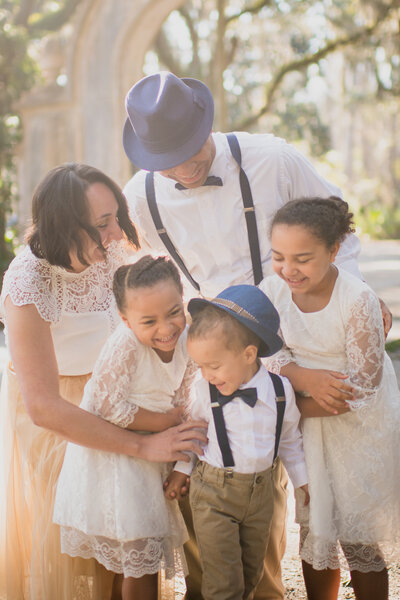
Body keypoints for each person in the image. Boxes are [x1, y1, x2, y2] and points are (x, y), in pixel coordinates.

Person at [121, 71, 388, 599]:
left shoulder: (272, 158)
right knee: (218, 472)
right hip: (210, 348)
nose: (183, 167)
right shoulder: (140, 195)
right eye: (167, 158)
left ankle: (266, 586)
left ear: (207, 123)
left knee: (298, 490)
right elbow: (139, 271)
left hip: (298, 334)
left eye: (191, 151)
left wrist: (351, 297)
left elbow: (338, 231)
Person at [0, 163, 207, 600]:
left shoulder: (113, 254)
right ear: (62, 225)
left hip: (128, 400)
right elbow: (43, 407)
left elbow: (162, 309)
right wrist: (141, 445)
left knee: (133, 534)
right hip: (64, 421)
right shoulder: (27, 284)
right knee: (87, 554)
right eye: (101, 223)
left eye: (115, 216)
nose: (117, 233)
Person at [260, 197, 400, 600]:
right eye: (279, 257)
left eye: (302, 258)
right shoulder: (273, 290)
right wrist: (300, 376)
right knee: (314, 526)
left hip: (358, 424)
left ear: (333, 251)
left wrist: (291, 407)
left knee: (357, 534)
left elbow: (362, 388)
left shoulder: (356, 300)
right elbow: (261, 348)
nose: (289, 269)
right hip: (306, 418)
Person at [54, 255, 198, 600]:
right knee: (139, 559)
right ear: (126, 320)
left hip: (152, 455)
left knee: (135, 560)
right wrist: (164, 421)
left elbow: (186, 402)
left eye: (174, 312)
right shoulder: (126, 344)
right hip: (113, 458)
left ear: (183, 300)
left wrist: (181, 463)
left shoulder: (191, 337)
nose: (166, 329)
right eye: (149, 321)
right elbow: (107, 407)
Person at [163, 284, 309, 600]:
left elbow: (290, 441)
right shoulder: (205, 392)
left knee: (251, 575)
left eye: (212, 366)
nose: (205, 375)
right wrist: (180, 470)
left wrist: (303, 483)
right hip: (214, 494)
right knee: (222, 582)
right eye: (200, 366)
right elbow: (195, 435)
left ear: (248, 354)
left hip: (261, 494)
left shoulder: (279, 392)